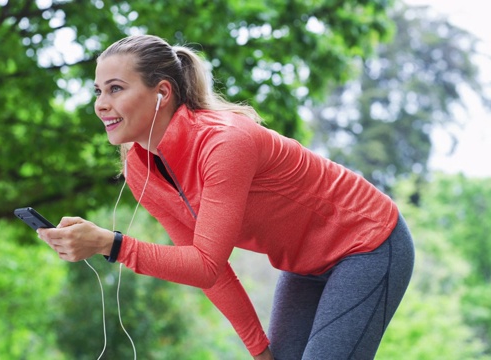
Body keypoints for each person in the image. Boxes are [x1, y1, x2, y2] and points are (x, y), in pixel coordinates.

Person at [37, 34, 415, 359]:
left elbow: (205, 264)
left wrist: (111, 244)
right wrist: (260, 350)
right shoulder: (140, 170)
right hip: (303, 266)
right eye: (98, 91)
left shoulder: (224, 142)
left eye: (116, 88)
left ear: (162, 93)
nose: (101, 104)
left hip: (367, 243)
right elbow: (208, 271)